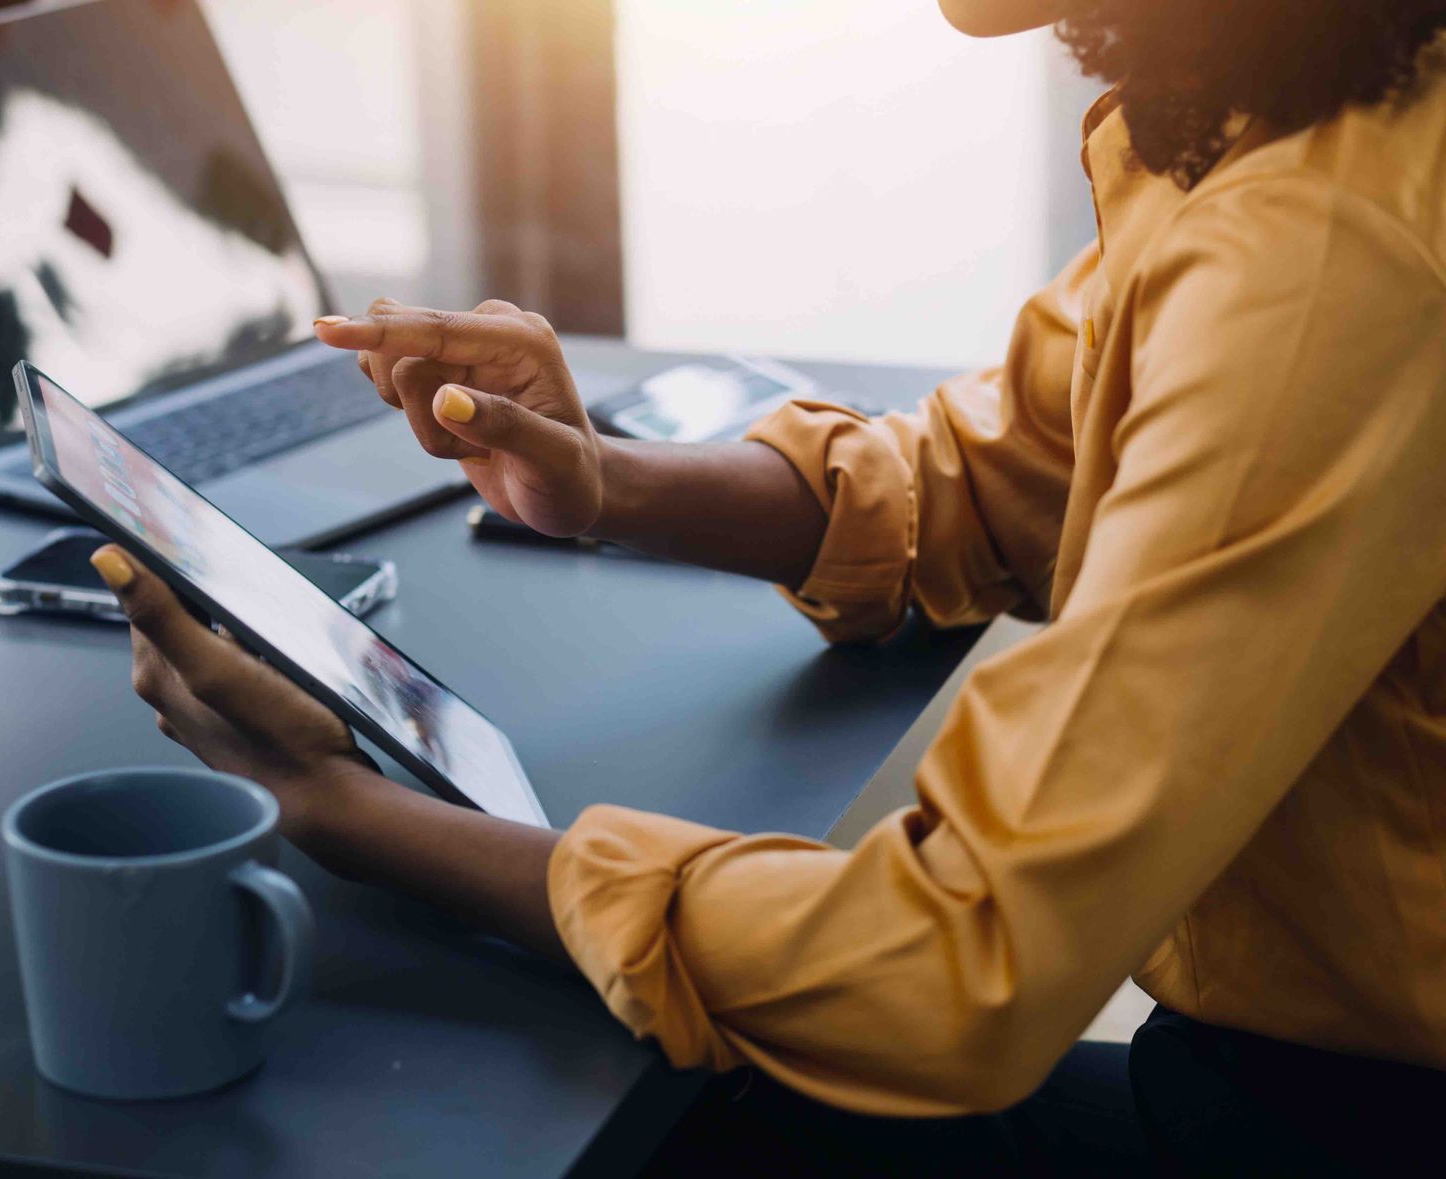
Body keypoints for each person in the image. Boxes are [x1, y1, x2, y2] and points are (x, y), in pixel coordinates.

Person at [87, 0, 1446, 1172]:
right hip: (1288, 1082)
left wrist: (345, 810)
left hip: (1348, 1124)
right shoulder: (1297, 114)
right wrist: (605, 477)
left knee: (608, 1123)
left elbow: (960, 962)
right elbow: (1006, 473)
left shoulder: (1321, 253)